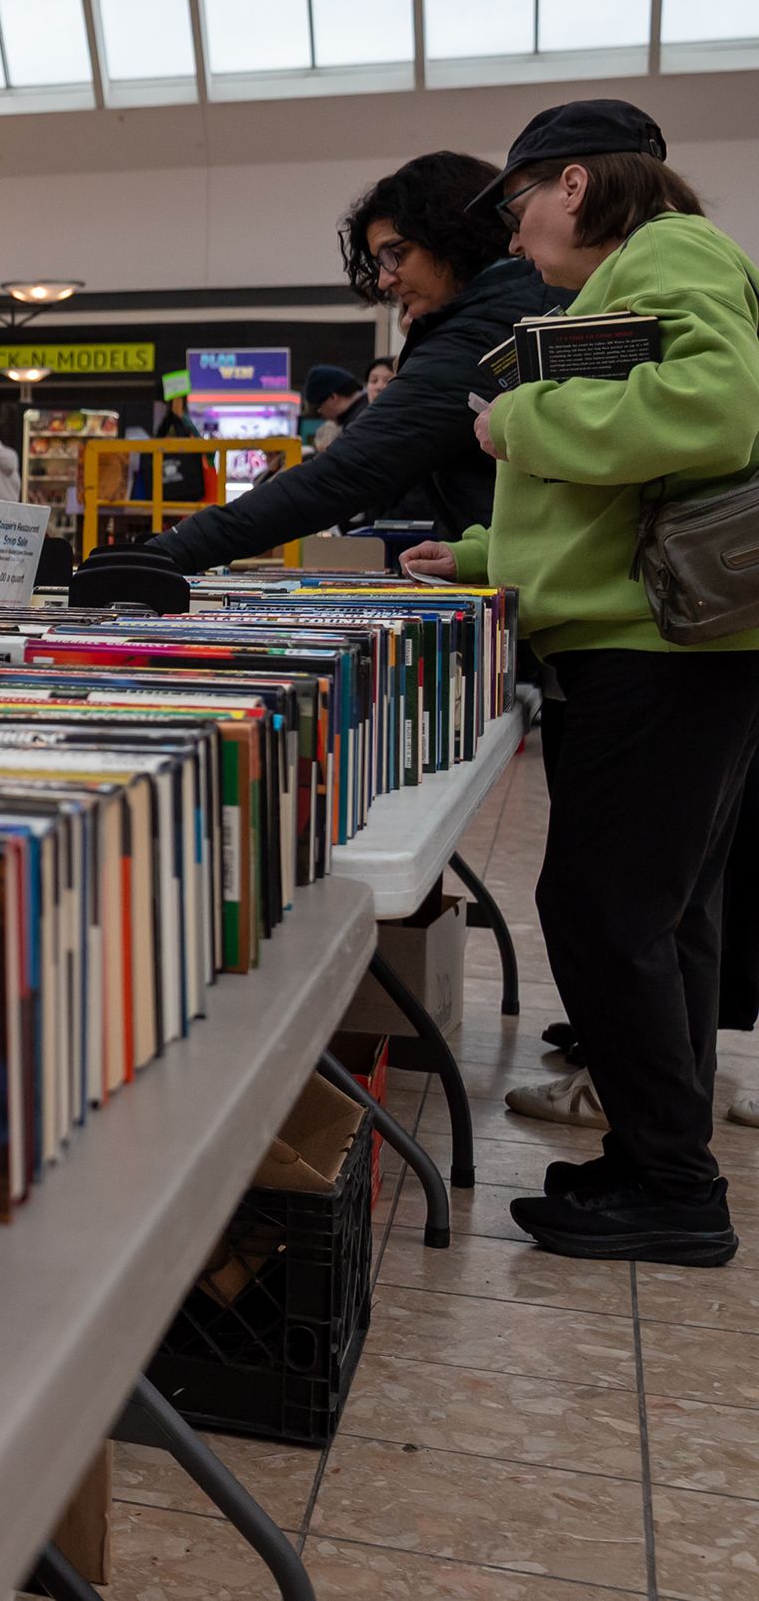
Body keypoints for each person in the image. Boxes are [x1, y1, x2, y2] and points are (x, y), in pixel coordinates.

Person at [402, 99, 759, 1267]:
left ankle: (675, 1187)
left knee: (602, 915)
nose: (513, 239)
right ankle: (659, 1160)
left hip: (657, 655)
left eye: (515, 205)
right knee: (663, 917)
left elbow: (716, 410)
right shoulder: (628, 282)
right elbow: (622, 496)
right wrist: (476, 556)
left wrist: (520, 419)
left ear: (570, 183)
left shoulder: (673, 250)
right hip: (657, 644)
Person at [145, 153, 557, 572]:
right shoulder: (525, 304)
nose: (384, 279)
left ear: (453, 237)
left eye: (395, 254)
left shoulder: (478, 333)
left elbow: (341, 477)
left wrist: (162, 553)